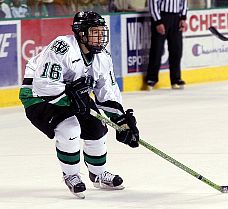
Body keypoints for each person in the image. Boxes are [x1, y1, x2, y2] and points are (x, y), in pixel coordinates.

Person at [19, 11, 139, 199]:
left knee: (97, 129)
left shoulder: (102, 57)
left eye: (102, 32)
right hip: (38, 96)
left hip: (73, 95)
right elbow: (44, 85)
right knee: (70, 129)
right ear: (81, 33)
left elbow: (106, 91)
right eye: (95, 32)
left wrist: (121, 120)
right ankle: (71, 175)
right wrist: (71, 99)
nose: (100, 37)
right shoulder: (63, 47)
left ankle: (98, 174)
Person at [146, 0, 188, 90]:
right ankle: (152, 78)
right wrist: (158, 21)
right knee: (157, 49)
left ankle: (176, 79)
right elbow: (153, 3)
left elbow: (184, 2)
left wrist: (183, 18)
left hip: (176, 18)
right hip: (162, 17)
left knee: (176, 50)